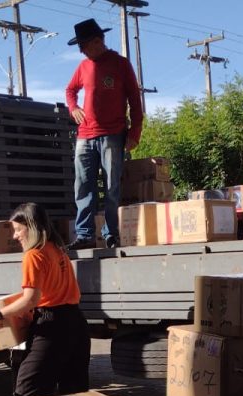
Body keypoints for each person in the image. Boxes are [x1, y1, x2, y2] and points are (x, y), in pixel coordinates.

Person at [0, 203, 90, 396]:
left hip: (52, 328)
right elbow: (46, 292)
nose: (15, 236)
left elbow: (30, 300)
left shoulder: (33, 255)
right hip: (76, 324)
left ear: (32, 227)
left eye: (18, 229)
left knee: (27, 393)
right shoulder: (57, 249)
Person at [65, 18, 144, 250]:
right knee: (83, 185)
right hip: (85, 135)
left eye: (84, 47)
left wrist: (134, 133)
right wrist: (73, 108)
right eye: (80, 48)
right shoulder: (83, 66)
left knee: (111, 186)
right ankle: (84, 235)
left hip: (112, 133)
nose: (82, 52)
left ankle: (111, 234)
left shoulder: (120, 64)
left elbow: (135, 101)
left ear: (98, 41)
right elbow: (70, 90)